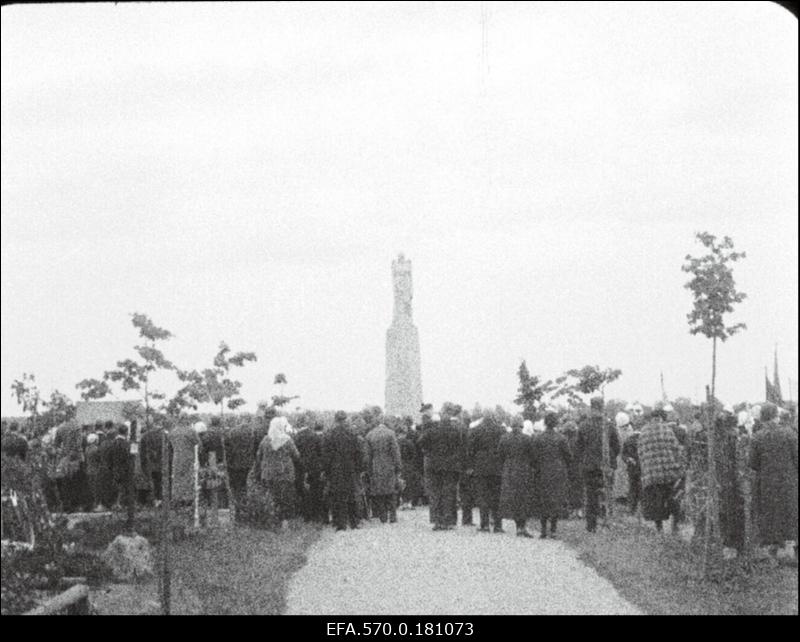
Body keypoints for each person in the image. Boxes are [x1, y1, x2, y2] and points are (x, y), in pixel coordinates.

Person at [749, 402, 798, 558]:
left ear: (762, 417)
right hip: (789, 481)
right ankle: (795, 546)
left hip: (767, 483)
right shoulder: (790, 433)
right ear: (776, 416)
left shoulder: (757, 437)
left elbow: (753, 464)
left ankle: (774, 549)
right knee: (791, 512)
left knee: (771, 514)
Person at [576, 397, 620, 532]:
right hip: (606, 466)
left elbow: (579, 448)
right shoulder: (609, 426)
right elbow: (617, 446)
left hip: (589, 466)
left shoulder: (583, 426)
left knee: (591, 496)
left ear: (591, 407)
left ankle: (591, 525)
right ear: (603, 407)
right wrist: (611, 460)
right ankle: (608, 522)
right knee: (608, 493)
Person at [638, 408, 684, 532]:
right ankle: (675, 525)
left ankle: (659, 528)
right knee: (673, 497)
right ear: (663, 418)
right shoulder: (667, 430)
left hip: (651, 474)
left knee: (655, 501)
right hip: (668, 472)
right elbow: (676, 449)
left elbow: (640, 452)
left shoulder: (644, 431)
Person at [417, 408, 462, 531]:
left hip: (434, 466)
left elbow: (420, 442)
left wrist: (428, 451)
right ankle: (449, 520)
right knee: (449, 494)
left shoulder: (432, 430)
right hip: (450, 467)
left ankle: (437, 521)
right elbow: (461, 447)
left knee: (435, 494)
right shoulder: (455, 431)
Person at [532, 412, 572, 538]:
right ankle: (553, 529)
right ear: (555, 423)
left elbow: (534, 457)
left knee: (543, 499)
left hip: (542, 471)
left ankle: (543, 530)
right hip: (558, 472)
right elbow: (569, 456)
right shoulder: (561, 438)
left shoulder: (538, 438)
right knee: (556, 499)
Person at [256, 416, 300, 528]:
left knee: (271, 497)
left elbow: (258, 456)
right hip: (284, 473)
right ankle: (284, 523)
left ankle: (272, 521)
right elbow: (296, 456)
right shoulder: (287, 440)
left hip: (268, 474)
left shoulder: (265, 440)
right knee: (285, 498)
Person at [323, 411, 363, 531]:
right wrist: (359, 468)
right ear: (345, 420)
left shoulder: (329, 435)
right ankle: (354, 522)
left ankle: (340, 524)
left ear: (335, 420)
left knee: (338, 496)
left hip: (336, 469)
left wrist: (326, 470)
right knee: (352, 495)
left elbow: (326, 455)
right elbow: (358, 453)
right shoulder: (352, 433)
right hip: (350, 468)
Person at [498, 416, 536, 537]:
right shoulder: (527, 439)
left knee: (512, 497)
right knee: (523, 497)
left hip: (509, 469)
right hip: (524, 469)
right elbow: (533, 456)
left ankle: (517, 524)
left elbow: (500, 454)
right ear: (521, 425)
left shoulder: (504, 438)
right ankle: (522, 526)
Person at [467, 414, 506, 533]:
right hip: (496, 466)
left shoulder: (475, 430)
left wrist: (470, 466)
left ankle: (484, 524)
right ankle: (498, 525)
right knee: (497, 496)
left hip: (481, 466)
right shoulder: (501, 430)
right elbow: (503, 449)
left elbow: (470, 449)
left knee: (482, 496)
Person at [365, 422, 402, 524]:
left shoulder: (369, 435)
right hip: (389, 464)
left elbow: (367, 456)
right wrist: (398, 467)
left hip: (375, 465)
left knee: (379, 492)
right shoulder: (390, 434)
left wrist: (368, 470)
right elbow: (396, 452)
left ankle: (383, 517)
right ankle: (393, 516)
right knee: (391, 491)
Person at [294, 420, 326, 523]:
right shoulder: (315, 436)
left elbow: (295, 454)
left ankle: (306, 516)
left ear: (299, 425)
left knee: (303, 492)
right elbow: (321, 452)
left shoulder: (296, 437)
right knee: (316, 491)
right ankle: (317, 516)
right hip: (315, 468)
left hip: (301, 468)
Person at [170, 419, 202, 507]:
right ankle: (187, 499)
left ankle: (177, 498)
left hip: (176, 458)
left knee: (177, 478)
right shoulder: (190, 431)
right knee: (188, 478)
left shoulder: (173, 431)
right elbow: (199, 444)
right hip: (189, 457)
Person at [225, 417, 255, 506]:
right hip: (248, 463)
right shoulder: (252, 432)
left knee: (236, 486)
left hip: (235, 463)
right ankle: (245, 504)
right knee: (245, 485)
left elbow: (228, 448)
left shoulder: (232, 432)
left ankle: (237, 504)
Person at [397, 418, 424, 509]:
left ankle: (401, 502)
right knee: (409, 484)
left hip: (399, 464)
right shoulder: (409, 443)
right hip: (408, 465)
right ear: (405, 433)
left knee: (400, 484)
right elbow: (414, 455)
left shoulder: (395, 442)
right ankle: (408, 502)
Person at [108, 424, 132, 510]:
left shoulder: (113, 443)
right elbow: (128, 457)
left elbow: (109, 457)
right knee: (123, 487)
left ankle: (116, 504)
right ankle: (121, 504)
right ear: (126, 432)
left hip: (115, 467)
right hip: (124, 468)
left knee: (116, 487)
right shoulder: (126, 444)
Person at [622, 421, 642, 515]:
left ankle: (631, 510)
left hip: (632, 468)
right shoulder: (644, 439)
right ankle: (642, 509)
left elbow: (623, 454)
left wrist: (628, 459)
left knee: (632, 488)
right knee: (642, 488)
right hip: (643, 467)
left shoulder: (628, 440)